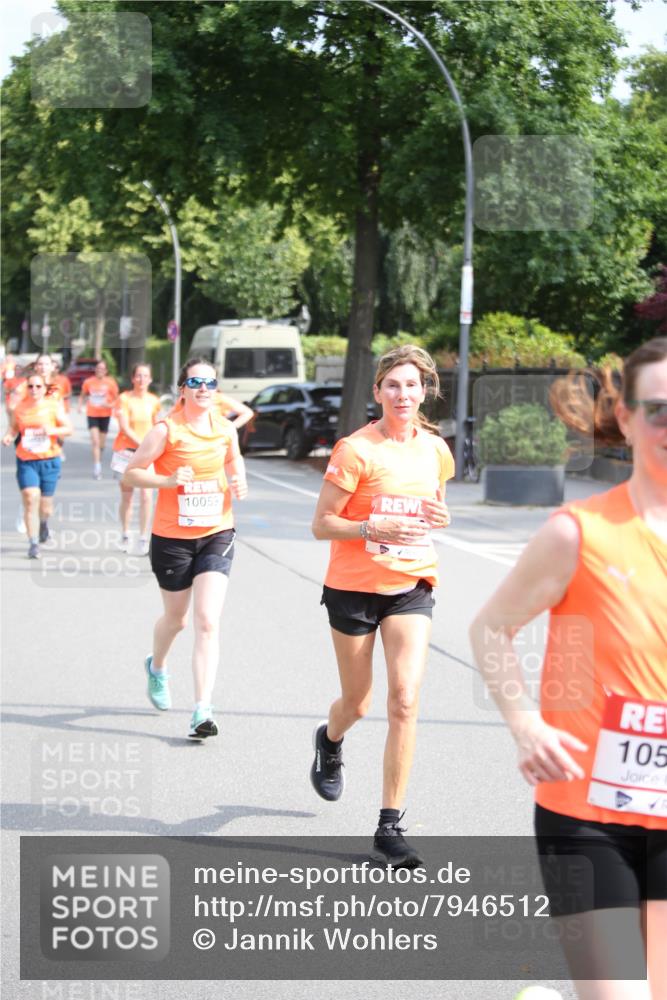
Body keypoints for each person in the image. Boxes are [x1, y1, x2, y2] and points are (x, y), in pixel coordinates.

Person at [470, 338, 667, 999]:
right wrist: (525, 723)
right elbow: (490, 628)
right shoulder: (577, 533)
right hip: (585, 814)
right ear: (626, 416)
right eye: (658, 410)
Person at [310, 344, 454, 867]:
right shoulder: (355, 450)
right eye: (392, 384)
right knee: (359, 702)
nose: (403, 393)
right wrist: (371, 526)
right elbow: (322, 523)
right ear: (377, 392)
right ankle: (329, 740)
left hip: (410, 585)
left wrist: (439, 520)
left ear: (425, 391)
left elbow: (438, 508)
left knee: (405, 699)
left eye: (412, 384)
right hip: (352, 588)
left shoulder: (435, 449)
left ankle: (388, 826)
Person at [122, 357, 248, 739]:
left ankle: (201, 709)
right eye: (195, 382)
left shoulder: (226, 430)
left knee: (207, 620)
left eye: (210, 383)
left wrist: (238, 479)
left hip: (217, 532)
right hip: (172, 538)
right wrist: (168, 479)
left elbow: (234, 460)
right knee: (176, 620)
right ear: (182, 388)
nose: (203, 389)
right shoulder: (166, 430)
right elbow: (131, 473)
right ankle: (157, 666)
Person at [2, 372, 72, 557]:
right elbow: (15, 427)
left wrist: (52, 430)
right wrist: (9, 436)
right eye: (30, 386)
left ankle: (43, 525)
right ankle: (33, 543)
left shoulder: (53, 406)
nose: (34, 390)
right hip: (26, 460)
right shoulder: (20, 407)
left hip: (49, 460)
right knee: (30, 496)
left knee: (46, 507)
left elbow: (69, 429)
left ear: (44, 388)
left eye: (38, 386)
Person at [111, 363, 161, 555]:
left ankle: (143, 537)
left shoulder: (153, 401)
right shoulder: (124, 399)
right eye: (138, 376)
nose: (141, 379)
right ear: (133, 379)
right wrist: (142, 443)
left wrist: (157, 445)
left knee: (147, 495)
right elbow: (124, 427)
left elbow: (157, 425)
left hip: (146, 453)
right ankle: (125, 534)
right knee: (127, 496)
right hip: (126, 451)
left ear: (150, 379)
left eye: (145, 376)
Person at [79, 359, 119, 479]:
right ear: (95, 370)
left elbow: (117, 399)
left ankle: (99, 459)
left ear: (106, 371)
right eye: (98, 368)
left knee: (101, 444)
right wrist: (80, 406)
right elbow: (82, 395)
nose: (100, 371)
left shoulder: (111, 383)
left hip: (105, 415)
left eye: (102, 369)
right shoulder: (88, 382)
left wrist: (110, 405)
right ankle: (97, 467)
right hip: (92, 414)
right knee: (95, 442)